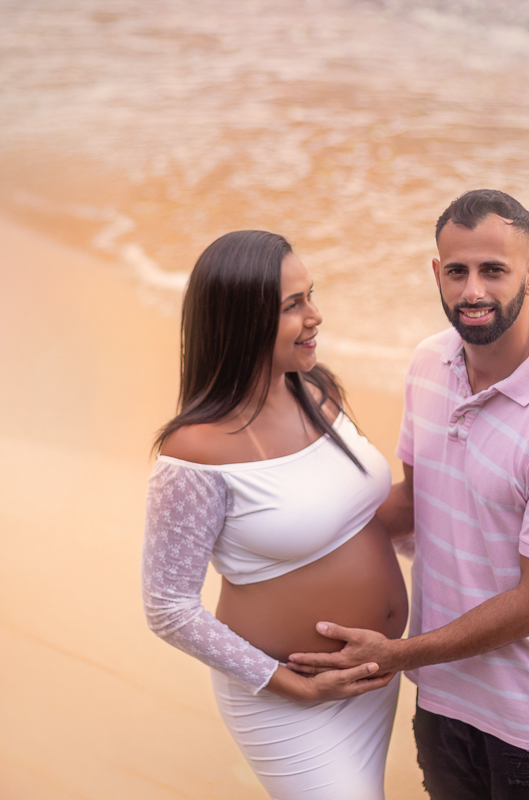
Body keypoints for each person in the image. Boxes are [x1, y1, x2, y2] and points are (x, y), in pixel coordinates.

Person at [288, 190, 529, 799]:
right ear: (436, 274)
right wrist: (290, 539)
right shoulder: (428, 363)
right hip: (439, 697)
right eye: (458, 271)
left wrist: (399, 654)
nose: (473, 291)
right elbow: (416, 507)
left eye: (494, 270)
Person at [141, 230, 410, 800]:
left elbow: (355, 517)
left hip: (373, 680)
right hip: (289, 701)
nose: (316, 316)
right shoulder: (193, 453)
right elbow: (168, 609)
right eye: (293, 305)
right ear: (242, 321)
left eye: (310, 295)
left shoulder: (317, 389)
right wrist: (293, 687)